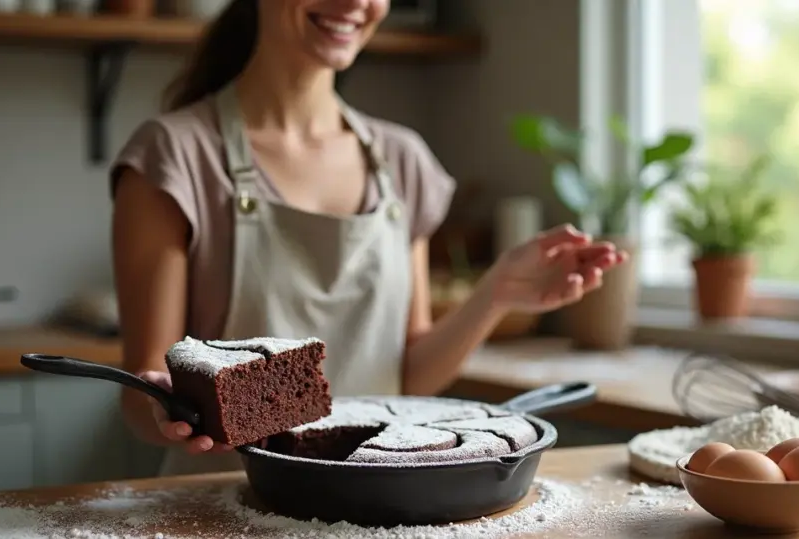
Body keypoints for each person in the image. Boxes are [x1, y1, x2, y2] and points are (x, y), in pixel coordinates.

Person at [109, 0, 629, 476]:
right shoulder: (174, 156)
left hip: (372, 502)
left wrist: (496, 294)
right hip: (223, 503)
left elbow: (405, 377)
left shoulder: (401, 160)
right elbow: (141, 393)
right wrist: (164, 408)